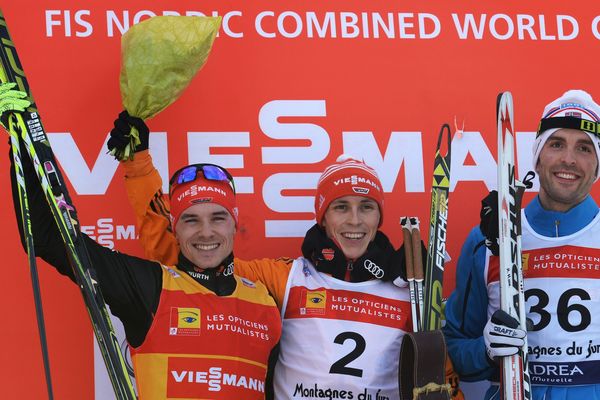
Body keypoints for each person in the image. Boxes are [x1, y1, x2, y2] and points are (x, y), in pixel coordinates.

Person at [108, 111, 464, 399]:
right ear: (322, 216)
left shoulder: (411, 289)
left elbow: (439, 378)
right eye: (341, 207)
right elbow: (185, 261)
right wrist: (138, 168)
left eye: (366, 207)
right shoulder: (284, 277)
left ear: (379, 217)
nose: (354, 220)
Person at [1, 83, 282, 400]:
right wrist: (22, 143)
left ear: (234, 224)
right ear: (174, 228)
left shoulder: (267, 302)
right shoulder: (151, 287)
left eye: (218, 218)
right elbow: (49, 237)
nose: (206, 232)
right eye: (191, 219)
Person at [443, 89, 600, 400]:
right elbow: (455, 349)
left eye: (584, 148)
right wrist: (486, 351)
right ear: (537, 158)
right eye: (556, 144)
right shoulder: (489, 241)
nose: (568, 159)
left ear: (597, 167)